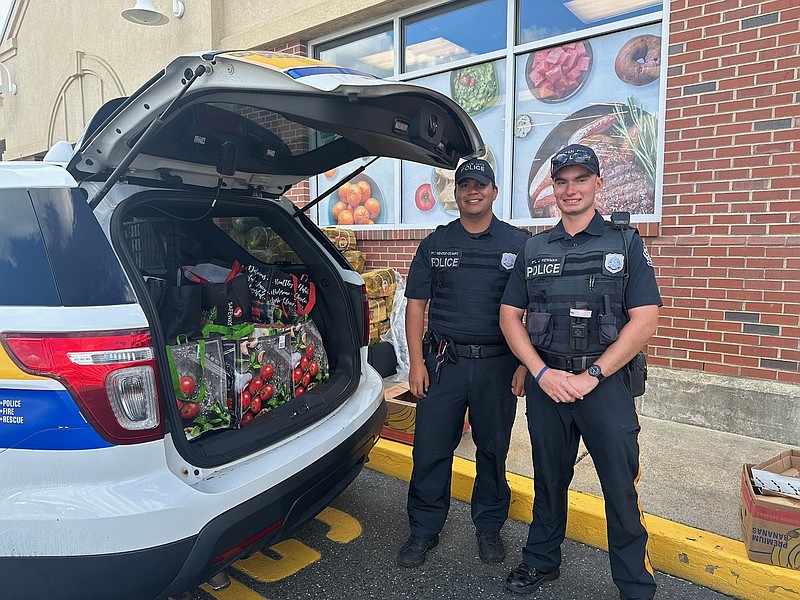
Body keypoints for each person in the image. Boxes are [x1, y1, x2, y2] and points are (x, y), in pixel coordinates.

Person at [499, 144, 661, 600]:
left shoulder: (625, 244)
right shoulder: (534, 248)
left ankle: (634, 584)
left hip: (604, 385)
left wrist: (592, 374)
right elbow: (510, 315)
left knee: (619, 488)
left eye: (581, 179)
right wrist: (540, 372)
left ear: (598, 184)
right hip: (548, 383)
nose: (571, 189)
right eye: (563, 181)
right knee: (549, 478)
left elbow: (645, 319)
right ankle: (541, 561)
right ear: (553, 189)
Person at [397, 158, 530, 568]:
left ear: (494, 192)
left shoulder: (519, 243)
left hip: (499, 366)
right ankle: (423, 531)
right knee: (431, 450)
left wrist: (525, 366)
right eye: (465, 185)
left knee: (492, 450)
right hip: (444, 364)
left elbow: (532, 310)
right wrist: (415, 364)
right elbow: (416, 305)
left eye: (481, 185)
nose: (473, 191)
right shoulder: (435, 243)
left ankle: (488, 527)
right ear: (456, 194)